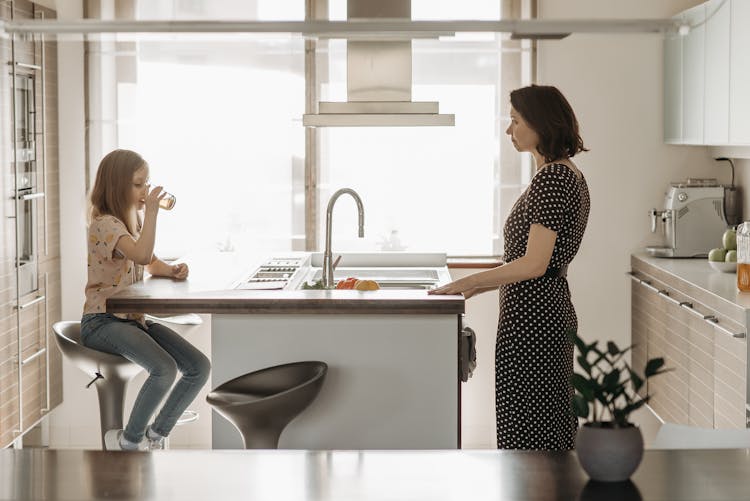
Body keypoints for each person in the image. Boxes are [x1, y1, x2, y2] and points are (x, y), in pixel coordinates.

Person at [429, 85, 590, 450]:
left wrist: (468, 280)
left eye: (515, 120)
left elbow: (534, 264)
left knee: (531, 431)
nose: (509, 130)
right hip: (540, 313)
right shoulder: (563, 174)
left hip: (534, 321)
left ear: (541, 123)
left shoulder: (553, 179)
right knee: (543, 424)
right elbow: (533, 261)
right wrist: (474, 287)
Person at [80, 149, 211, 451]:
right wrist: (151, 212)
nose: (145, 191)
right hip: (102, 321)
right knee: (164, 369)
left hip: (132, 319)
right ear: (117, 186)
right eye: (139, 185)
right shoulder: (106, 224)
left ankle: (156, 435)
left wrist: (171, 270)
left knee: (198, 366)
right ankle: (128, 441)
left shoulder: (130, 220)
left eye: (146, 183)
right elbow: (139, 253)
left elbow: (147, 260)